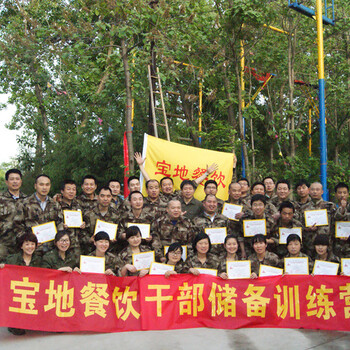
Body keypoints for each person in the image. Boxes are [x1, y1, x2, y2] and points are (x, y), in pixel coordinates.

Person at [0, 232, 41, 336]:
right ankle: (13, 322)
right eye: (27, 244)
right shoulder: (12, 259)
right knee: (18, 331)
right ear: (21, 246)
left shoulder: (39, 260)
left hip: (33, 293)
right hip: (17, 294)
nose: (30, 247)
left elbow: (48, 274)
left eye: (32, 244)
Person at [13, 174, 64, 257]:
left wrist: (58, 241)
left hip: (51, 250)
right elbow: (17, 226)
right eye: (41, 184)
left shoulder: (55, 204)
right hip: (31, 251)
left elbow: (60, 224)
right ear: (35, 186)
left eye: (47, 185)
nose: (44, 187)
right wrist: (29, 242)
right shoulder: (24, 204)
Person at [82, 186, 120, 254]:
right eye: (102, 196)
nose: (105, 199)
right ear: (97, 197)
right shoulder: (88, 214)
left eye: (108, 196)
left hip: (110, 253)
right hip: (91, 252)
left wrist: (115, 238)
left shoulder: (116, 215)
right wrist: (89, 239)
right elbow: (82, 233)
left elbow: (119, 232)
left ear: (111, 197)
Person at [0, 169, 27, 260]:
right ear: (7, 182)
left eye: (17, 179)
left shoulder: (28, 200)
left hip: (23, 245)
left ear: (21, 181)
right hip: (4, 244)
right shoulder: (1, 199)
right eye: (12, 179)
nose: (15, 181)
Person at [239, 194, 276, 259]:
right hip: (249, 251)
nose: (258, 207)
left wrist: (263, 241)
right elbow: (240, 237)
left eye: (260, 205)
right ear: (251, 206)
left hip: (266, 253)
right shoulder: (245, 219)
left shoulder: (270, 220)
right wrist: (243, 251)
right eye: (255, 205)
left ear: (265, 206)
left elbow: (276, 238)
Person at [59, 179, 85, 256]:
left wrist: (84, 224)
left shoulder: (79, 205)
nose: (71, 192)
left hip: (77, 245)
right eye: (68, 189)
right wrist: (61, 226)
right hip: (62, 245)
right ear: (62, 191)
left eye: (74, 189)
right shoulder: (56, 206)